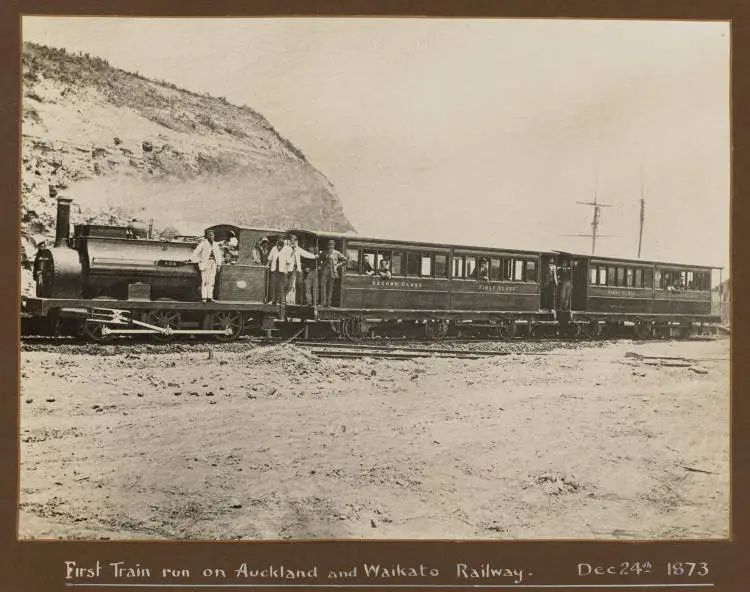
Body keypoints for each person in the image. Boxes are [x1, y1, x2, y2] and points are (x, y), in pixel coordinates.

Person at [280, 234, 317, 305]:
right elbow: (284, 258)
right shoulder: (286, 248)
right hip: (288, 269)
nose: (293, 241)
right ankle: (282, 299)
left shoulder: (297, 248)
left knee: (299, 284)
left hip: (297, 269)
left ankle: (300, 301)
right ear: (290, 241)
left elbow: (305, 253)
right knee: (287, 285)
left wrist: (314, 256)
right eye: (292, 240)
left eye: (294, 240)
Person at [188, 229, 223, 302]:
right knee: (205, 280)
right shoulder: (203, 244)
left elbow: (218, 255)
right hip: (205, 263)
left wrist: (219, 265)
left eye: (212, 235)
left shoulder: (215, 244)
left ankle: (210, 297)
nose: (211, 236)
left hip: (213, 263)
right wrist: (190, 259)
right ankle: (204, 297)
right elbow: (196, 252)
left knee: (212, 280)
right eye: (210, 235)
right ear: (207, 236)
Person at [319, 240, 348, 307]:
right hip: (325, 270)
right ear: (328, 246)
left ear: (334, 246)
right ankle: (323, 303)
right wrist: (320, 266)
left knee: (330, 287)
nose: (330, 246)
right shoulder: (324, 252)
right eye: (329, 245)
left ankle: (329, 303)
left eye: (332, 245)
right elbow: (319, 259)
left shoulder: (337, 253)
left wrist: (338, 265)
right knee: (323, 286)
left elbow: (345, 260)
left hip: (333, 271)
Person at [266, 238, 286, 304]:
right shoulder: (273, 249)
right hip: (274, 270)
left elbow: (288, 261)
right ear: (277, 245)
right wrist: (267, 264)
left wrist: (286, 270)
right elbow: (270, 257)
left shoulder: (285, 250)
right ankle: (272, 299)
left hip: (281, 271)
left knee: (279, 286)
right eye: (278, 246)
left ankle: (277, 300)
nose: (279, 247)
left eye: (281, 246)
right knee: (272, 285)